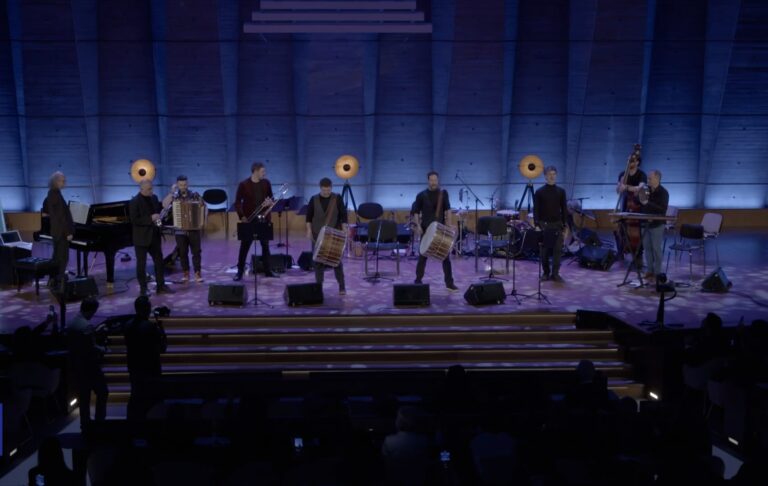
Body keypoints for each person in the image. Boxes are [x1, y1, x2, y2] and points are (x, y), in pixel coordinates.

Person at [412, 171, 458, 291]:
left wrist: (449, 224)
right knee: (422, 256)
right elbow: (416, 212)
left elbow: (448, 210)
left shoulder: (443, 194)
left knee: (445, 257)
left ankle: (449, 283)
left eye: (435, 180)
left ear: (438, 180)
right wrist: (418, 225)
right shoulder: (421, 195)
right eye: (431, 180)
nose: (433, 182)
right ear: (428, 181)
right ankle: (418, 280)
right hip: (426, 230)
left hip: (440, 229)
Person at [67, 297, 108, 426]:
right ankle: (99, 422)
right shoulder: (87, 326)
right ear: (91, 310)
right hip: (90, 366)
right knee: (103, 392)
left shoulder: (72, 323)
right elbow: (92, 347)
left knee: (84, 397)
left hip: (77, 365)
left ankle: (85, 424)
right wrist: (104, 349)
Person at [125, 296, 167, 421]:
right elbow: (162, 348)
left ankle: (132, 423)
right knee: (152, 398)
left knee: (135, 395)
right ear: (147, 309)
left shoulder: (127, 325)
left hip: (134, 366)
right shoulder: (150, 327)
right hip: (150, 367)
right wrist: (162, 332)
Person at [129, 179, 172, 296]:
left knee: (159, 262)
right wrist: (150, 218)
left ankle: (161, 285)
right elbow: (134, 220)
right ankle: (143, 289)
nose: (151, 191)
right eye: (149, 189)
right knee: (141, 265)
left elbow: (157, 215)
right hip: (141, 238)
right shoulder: (134, 202)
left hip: (154, 236)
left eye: (151, 188)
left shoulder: (154, 198)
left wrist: (159, 225)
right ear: (141, 189)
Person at [233, 162, 276, 280]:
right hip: (249, 219)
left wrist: (270, 202)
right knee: (245, 246)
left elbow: (271, 199)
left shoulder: (266, 183)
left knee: (265, 246)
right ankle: (240, 271)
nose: (264, 173)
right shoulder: (243, 184)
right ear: (255, 171)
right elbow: (237, 202)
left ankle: (268, 270)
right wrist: (241, 216)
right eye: (262, 171)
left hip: (264, 219)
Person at [305, 178, 347, 295]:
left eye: (328, 190)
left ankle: (342, 287)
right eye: (324, 190)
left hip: (333, 235)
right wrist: (308, 230)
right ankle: (319, 288)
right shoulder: (313, 199)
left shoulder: (337, 198)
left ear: (331, 187)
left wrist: (344, 228)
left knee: (336, 262)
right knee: (318, 262)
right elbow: (308, 217)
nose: (326, 192)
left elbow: (343, 215)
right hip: (317, 234)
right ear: (320, 188)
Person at [161, 175, 204, 283]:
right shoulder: (174, 196)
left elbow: (203, 207)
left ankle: (197, 272)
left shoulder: (194, 195)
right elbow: (164, 205)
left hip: (193, 229)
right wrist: (171, 192)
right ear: (177, 185)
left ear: (187, 184)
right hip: (180, 229)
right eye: (181, 185)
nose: (183, 187)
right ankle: (186, 272)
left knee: (196, 252)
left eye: (185, 184)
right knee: (183, 252)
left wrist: (202, 221)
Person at [533, 166, 568, 282]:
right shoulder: (539, 192)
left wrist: (565, 226)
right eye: (549, 174)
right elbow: (536, 210)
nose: (552, 176)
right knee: (544, 251)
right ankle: (546, 273)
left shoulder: (561, 191)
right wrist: (536, 224)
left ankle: (555, 274)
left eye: (554, 174)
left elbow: (564, 209)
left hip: (557, 225)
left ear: (556, 175)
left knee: (557, 251)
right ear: (545, 176)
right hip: (544, 225)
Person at [45, 171, 74, 292]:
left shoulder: (52, 193)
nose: (64, 183)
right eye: (63, 181)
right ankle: (60, 285)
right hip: (61, 232)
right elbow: (61, 217)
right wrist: (68, 232)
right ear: (56, 181)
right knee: (62, 258)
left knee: (57, 257)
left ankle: (53, 281)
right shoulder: (55, 194)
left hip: (56, 231)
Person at [639, 169, 669, 280]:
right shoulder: (646, 190)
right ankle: (650, 270)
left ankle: (657, 272)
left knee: (656, 249)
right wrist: (639, 194)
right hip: (645, 223)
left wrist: (648, 203)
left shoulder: (663, 192)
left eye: (650, 178)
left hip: (657, 225)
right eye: (648, 178)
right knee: (647, 248)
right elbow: (641, 203)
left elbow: (662, 209)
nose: (648, 180)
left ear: (657, 179)